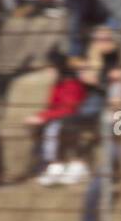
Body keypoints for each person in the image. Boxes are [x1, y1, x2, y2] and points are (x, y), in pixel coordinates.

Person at [25, 49, 88, 185]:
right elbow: (53, 106)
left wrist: (44, 117)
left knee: (56, 126)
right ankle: (52, 165)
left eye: (50, 68)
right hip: (61, 118)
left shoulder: (71, 83)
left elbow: (69, 108)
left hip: (77, 118)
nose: (47, 71)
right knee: (48, 127)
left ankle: (70, 165)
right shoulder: (57, 84)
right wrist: (41, 116)